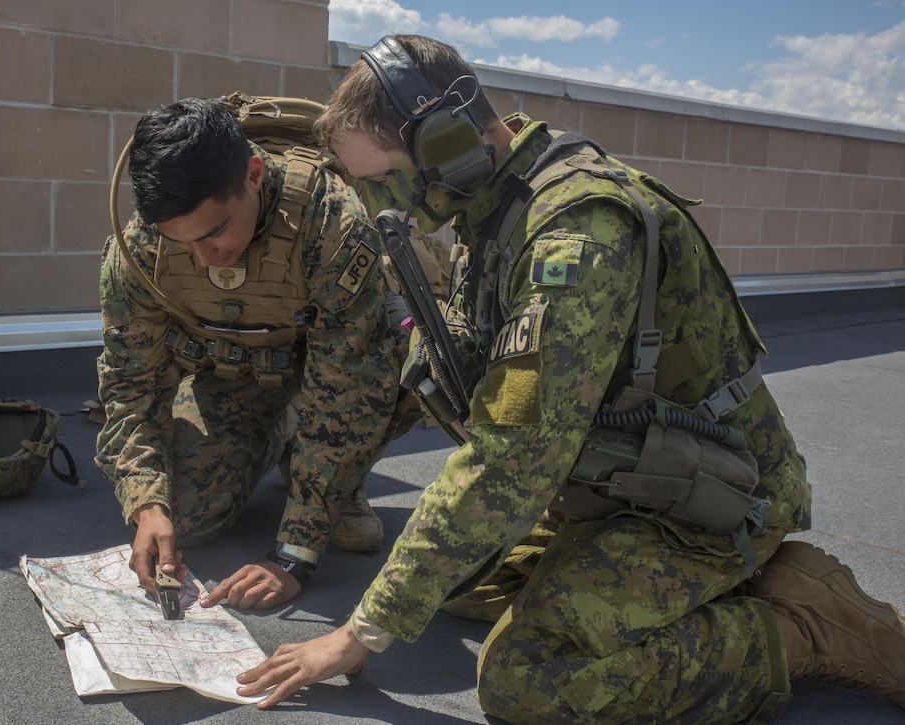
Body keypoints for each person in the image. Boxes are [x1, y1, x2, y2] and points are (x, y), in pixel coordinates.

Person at [235, 35, 905, 722]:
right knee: (455, 579)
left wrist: (360, 632)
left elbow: (510, 457)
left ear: (443, 142)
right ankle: (690, 588)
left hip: (708, 498)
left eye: (379, 177)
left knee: (527, 677)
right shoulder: (494, 203)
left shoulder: (573, 237)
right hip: (614, 480)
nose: (375, 199)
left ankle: (799, 625)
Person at [95, 97, 423, 611]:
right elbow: (129, 382)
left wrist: (294, 553)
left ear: (252, 176)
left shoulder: (330, 221)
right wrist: (147, 503)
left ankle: (334, 478)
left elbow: (349, 384)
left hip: (328, 374)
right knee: (187, 518)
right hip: (233, 377)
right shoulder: (140, 245)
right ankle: (283, 441)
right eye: (183, 246)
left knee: (409, 362)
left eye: (214, 233)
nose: (204, 260)